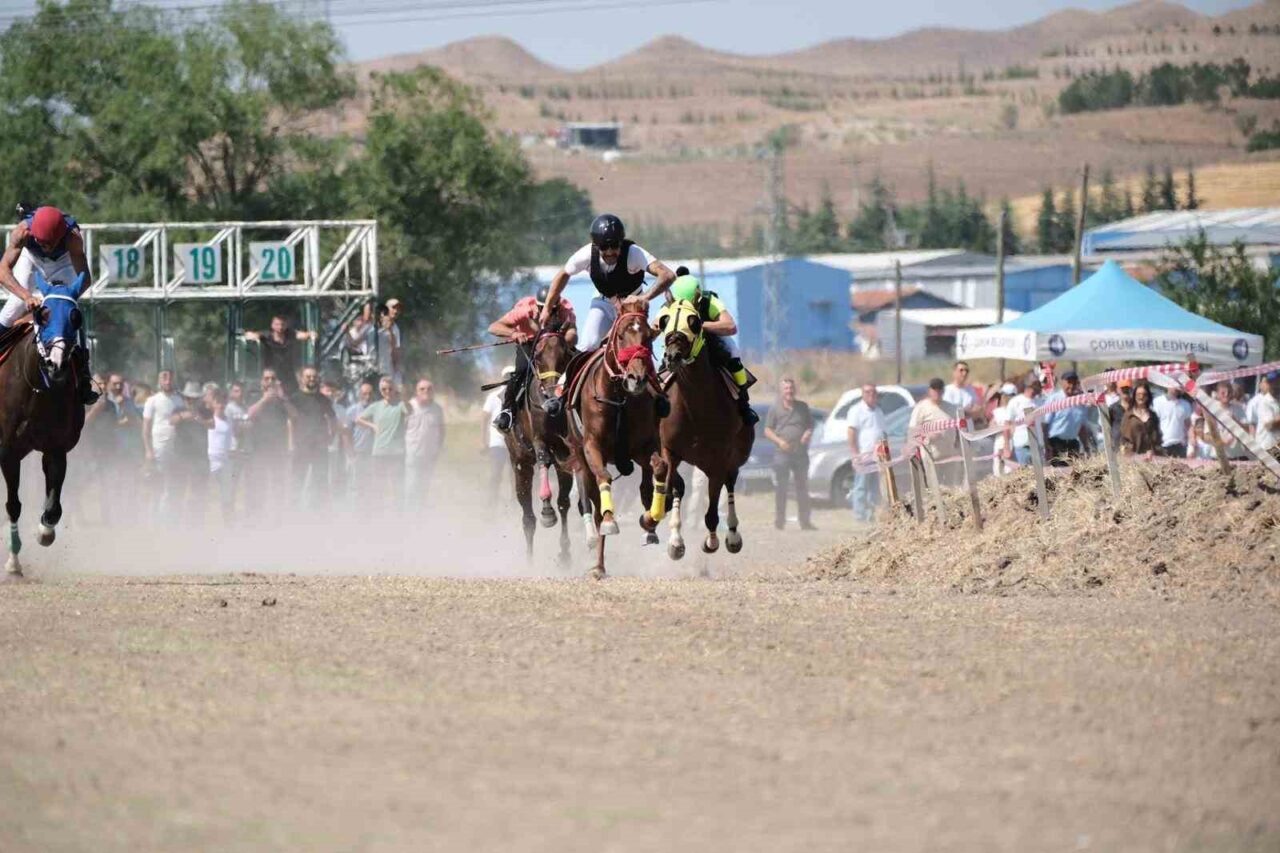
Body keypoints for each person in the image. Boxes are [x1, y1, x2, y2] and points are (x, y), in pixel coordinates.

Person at [0, 205, 97, 403]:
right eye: (41, 242)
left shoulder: (73, 238)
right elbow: (3, 272)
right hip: (31, 258)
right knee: (13, 308)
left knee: (68, 312)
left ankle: (84, 379)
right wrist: (26, 296)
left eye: (50, 243)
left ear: (61, 236)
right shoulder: (22, 232)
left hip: (64, 261)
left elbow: (85, 279)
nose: (46, 247)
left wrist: (62, 300)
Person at [538, 214, 675, 352]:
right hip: (603, 303)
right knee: (589, 345)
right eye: (604, 247)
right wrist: (547, 308)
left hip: (632, 308)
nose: (609, 252)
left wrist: (643, 298)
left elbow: (668, 275)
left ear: (621, 242)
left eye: (614, 246)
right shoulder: (586, 254)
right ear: (596, 245)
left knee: (637, 350)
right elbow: (563, 274)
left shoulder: (634, 253)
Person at [663, 273, 759, 425]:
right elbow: (656, 325)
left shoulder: (710, 300)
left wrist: (700, 325)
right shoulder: (671, 304)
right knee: (662, 365)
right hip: (682, 341)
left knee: (733, 356)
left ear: (697, 297)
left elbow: (731, 326)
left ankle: (743, 402)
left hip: (712, 335)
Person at [490, 286, 577, 432]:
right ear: (538, 306)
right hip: (529, 343)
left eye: (553, 309)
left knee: (579, 362)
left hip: (556, 345)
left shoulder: (566, 310)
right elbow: (494, 327)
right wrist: (514, 333)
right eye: (544, 308)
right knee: (521, 370)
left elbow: (572, 333)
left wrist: (563, 342)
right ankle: (508, 411)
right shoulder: (525, 310)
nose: (549, 313)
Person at [763, 378, 815, 531]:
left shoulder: (803, 407)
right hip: (782, 454)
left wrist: (807, 434)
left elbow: (810, 425)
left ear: (795, 390)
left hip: (800, 452)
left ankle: (805, 522)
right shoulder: (775, 408)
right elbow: (767, 430)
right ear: (781, 391)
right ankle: (779, 522)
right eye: (786, 388)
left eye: (791, 388)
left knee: (802, 488)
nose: (789, 391)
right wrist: (780, 442)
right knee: (782, 488)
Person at [245, 369, 291, 523]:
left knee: (278, 485)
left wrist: (283, 398)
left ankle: (277, 518)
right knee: (258, 485)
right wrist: (264, 399)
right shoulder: (254, 396)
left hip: (278, 449)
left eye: (273, 378)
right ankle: (256, 517)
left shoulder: (282, 400)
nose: (270, 381)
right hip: (259, 449)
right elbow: (249, 415)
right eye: (266, 378)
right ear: (261, 381)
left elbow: (295, 416)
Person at [355, 376, 408, 509]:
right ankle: (378, 514)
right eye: (384, 389)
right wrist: (372, 425)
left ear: (394, 389)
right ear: (380, 391)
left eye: (390, 388)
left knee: (398, 487)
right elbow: (358, 419)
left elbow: (410, 411)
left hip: (397, 453)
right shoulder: (375, 406)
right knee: (379, 487)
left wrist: (404, 395)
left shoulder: (400, 404)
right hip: (379, 453)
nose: (387, 391)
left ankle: (399, 514)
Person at [288, 366, 336, 510]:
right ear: (302, 379)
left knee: (320, 481)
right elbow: (290, 421)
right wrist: (291, 444)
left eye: (314, 376)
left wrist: (331, 436)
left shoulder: (324, 400)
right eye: (308, 376)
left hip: (320, 446)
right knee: (297, 480)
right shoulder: (294, 399)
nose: (311, 379)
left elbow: (332, 418)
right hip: (301, 445)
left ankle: (318, 513)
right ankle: (294, 513)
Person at [142, 370, 184, 519]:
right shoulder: (152, 400)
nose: (167, 381)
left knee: (172, 486)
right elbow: (146, 428)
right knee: (158, 486)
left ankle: (168, 519)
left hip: (176, 448)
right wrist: (148, 450)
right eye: (164, 377)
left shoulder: (179, 400)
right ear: (159, 380)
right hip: (158, 448)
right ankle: (155, 519)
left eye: (170, 378)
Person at [244, 315, 316, 394]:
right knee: (271, 392)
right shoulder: (266, 335)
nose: (280, 327)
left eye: (282, 324)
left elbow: (303, 335)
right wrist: (252, 336)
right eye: (277, 324)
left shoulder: (290, 335)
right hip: (271, 372)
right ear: (272, 325)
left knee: (292, 393)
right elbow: (251, 335)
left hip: (288, 373)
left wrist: (311, 334)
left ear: (286, 325)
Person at [846, 384, 885, 522]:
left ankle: (871, 515)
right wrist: (855, 454)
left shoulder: (878, 411)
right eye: (867, 392)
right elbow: (851, 432)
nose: (871, 395)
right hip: (863, 455)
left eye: (873, 392)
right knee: (861, 486)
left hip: (877, 456)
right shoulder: (856, 410)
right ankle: (860, 515)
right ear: (862, 394)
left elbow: (881, 432)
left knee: (874, 488)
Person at [404, 378, 446, 507]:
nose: (426, 391)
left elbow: (441, 431)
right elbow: (400, 429)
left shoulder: (437, 409)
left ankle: (420, 514)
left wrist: (438, 449)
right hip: (411, 455)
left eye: (429, 389)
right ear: (416, 391)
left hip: (429, 456)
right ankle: (408, 514)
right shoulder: (408, 406)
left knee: (424, 487)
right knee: (411, 487)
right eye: (422, 389)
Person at [1042, 370, 1092, 464]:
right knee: (1059, 470)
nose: (1071, 385)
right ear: (1062, 383)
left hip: (1073, 443)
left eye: (1074, 383)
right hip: (1056, 443)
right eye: (1069, 382)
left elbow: (1081, 427)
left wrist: (1086, 447)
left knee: (1074, 470)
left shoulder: (1081, 401)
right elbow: (1045, 425)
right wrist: (1046, 446)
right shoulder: (1054, 399)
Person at [482, 367, 515, 500]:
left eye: (512, 375)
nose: (509, 378)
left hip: (514, 444)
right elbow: (484, 418)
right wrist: (483, 441)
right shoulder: (493, 396)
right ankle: (491, 502)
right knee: (496, 473)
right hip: (497, 443)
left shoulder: (519, 396)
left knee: (515, 475)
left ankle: (515, 503)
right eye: (507, 376)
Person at [206, 387, 236, 525]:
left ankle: (227, 523)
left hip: (226, 463)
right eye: (218, 401)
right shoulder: (209, 420)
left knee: (226, 496)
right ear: (213, 403)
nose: (221, 405)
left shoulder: (229, 420)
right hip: (211, 463)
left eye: (223, 401)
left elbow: (232, 439)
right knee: (211, 495)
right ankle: (212, 523)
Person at [346, 379, 376, 501]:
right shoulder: (352, 411)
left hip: (373, 452)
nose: (367, 397)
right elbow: (346, 433)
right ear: (359, 394)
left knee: (371, 485)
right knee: (355, 485)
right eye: (364, 394)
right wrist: (350, 452)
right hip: (357, 452)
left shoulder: (377, 409)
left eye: (370, 393)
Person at [1005, 376, 1043, 466]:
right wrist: (1006, 446)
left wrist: (1046, 443)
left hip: (1037, 445)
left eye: (1038, 384)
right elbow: (1007, 424)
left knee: (1039, 472)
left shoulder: (1040, 402)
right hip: (1022, 445)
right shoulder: (1015, 401)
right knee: (1025, 472)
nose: (1038, 387)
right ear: (1028, 386)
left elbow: (1043, 425)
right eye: (1035, 384)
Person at [1121, 383, 1162, 459]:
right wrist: (1130, 454)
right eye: (1138, 394)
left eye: (1144, 394)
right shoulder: (1128, 415)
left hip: (1150, 457)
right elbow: (1124, 438)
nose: (1141, 397)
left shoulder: (1153, 416)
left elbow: (1157, 438)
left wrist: (1153, 451)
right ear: (1134, 396)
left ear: (1148, 397)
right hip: (1132, 457)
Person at [1152, 386, 1193, 458]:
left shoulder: (1185, 405)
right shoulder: (1157, 402)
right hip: (1162, 445)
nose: (1176, 388)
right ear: (1168, 385)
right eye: (1174, 385)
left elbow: (1188, 425)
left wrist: (1191, 444)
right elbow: (1153, 425)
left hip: (1180, 446)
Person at [942, 361, 984, 426]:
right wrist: (966, 411)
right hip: (955, 426)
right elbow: (949, 412)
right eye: (961, 370)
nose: (964, 373)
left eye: (966, 371)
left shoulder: (970, 389)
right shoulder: (947, 390)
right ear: (954, 372)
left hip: (971, 425)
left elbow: (978, 408)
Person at [991, 383, 1018, 476]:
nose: (1002, 398)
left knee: (1010, 469)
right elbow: (991, 427)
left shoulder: (1017, 410)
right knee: (998, 469)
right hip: (999, 441)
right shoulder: (998, 411)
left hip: (1013, 442)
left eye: (1004, 395)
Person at [377, 299, 404, 388]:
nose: (396, 311)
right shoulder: (375, 324)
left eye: (398, 309)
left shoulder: (395, 328)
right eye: (393, 308)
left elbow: (396, 350)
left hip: (388, 368)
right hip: (374, 367)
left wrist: (396, 367)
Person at [1252, 372, 1280, 455]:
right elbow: (1269, 425)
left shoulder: (1277, 400)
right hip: (1267, 447)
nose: (1275, 385)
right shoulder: (1265, 402)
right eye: (1271, 383)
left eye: (1277, 382)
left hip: (1276, 446)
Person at [1107, 381, 1133, 449]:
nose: (1125, 390)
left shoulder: (1137, 407)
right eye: (1123, 388)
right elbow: (1107, 426)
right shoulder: (1112, 408)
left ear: (1131, 389)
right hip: (1118, 444)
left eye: (1127, 388)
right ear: (1118, 390)